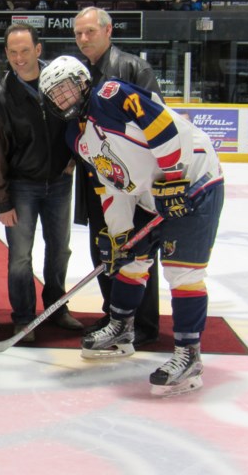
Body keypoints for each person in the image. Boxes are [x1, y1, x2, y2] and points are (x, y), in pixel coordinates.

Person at [38, 55, 224, 397]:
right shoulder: (76, 138)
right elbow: (112, 183)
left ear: (81, 82)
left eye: (65, 89)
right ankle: (122, 327)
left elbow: (163, 128)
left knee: (183, 272)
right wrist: (118, 232)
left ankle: (189, 355)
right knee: (129, 258)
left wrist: (172, 180)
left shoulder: (111, 94)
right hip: (151, 193)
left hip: (194, 179)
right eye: (55, 95)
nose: (62, 99)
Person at [0, 24, 83, 342]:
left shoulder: (60, 82)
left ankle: (56, 307)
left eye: (25, 51)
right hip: (21, 188)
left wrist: (73, 158)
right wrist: (2, 201)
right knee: (20, 257)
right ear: (6, 54)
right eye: (13, 52)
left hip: (60, 184)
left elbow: (80, 121)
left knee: (59, 250)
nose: (19, 58)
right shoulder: (0, 97)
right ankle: (24, 318)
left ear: (38, 50)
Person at [71, 7, 162, 346]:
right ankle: (115, 314)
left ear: (108, 31)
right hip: (98, 181)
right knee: (105, 249)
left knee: (137, 251)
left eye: (90, 32)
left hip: (133, 184)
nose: (83, 39)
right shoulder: (81, 73)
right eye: (78, 33)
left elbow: (157, 123)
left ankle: (145, 323)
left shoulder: (133, 68)